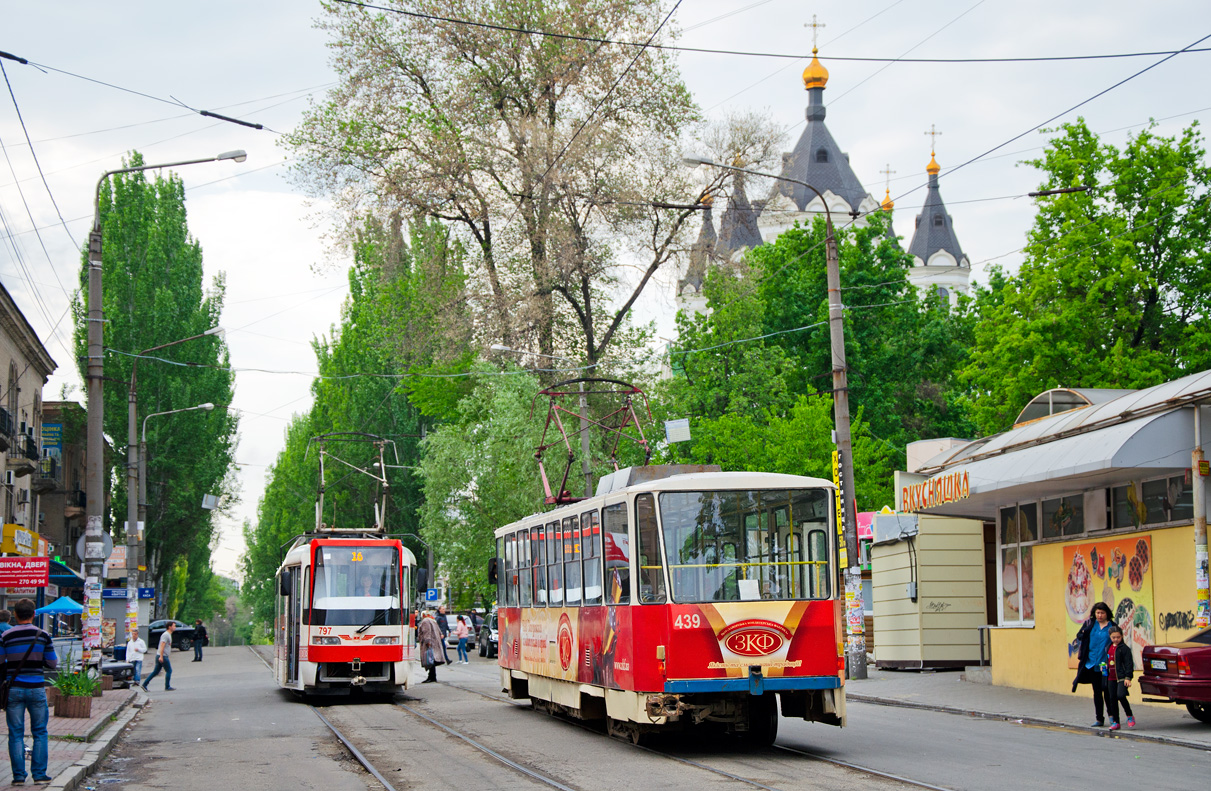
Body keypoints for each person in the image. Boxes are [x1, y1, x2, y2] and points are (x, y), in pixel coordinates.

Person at [1, 598, 57, 785]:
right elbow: (52, 663)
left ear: (15, 615)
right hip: (36, 689)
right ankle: (39, 775)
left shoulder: (6, 636)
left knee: (15, 733)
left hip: (14, 689)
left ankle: (18, 777)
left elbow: (0, 661)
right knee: (40, 732)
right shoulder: (43, 635)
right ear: (34, 614)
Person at [1071, 602, 1116, 727]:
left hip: (1105, 665)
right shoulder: (1090, 624)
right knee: (1097, 692)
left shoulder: (1112, 626)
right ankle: (1099, 719)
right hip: (1091, 663)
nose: (1099, 615)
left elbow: (1118, 641)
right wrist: (1084, 633)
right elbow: (1079, 635)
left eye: (1102, 613)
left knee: (1107, 690)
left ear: (1107, 613)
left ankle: (1112, 717)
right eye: (1097, 613)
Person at [1104, 625, 1136, 730]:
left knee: (1121, 695)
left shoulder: (1124, 649)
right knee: (1112, 699)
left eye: (1118, 637)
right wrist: (1104, 667)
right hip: (1111, 677)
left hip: (1121, 677)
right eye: (1113, 637)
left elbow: (1129, 664)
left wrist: (1128, 677)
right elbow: (1108, 660)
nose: (1116, 639)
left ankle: (1129, 715)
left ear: (1122, 636)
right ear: (1110, 637)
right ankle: (1116, 722)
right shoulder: (1108, 647)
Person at [141, 622, 176, 691]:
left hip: (161, 655)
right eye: (174, 626)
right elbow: (162, 645)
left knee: (156, 671)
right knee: (169, 670)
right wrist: (161, 656)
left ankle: (144, 684)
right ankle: (167, 686)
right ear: (169, 627)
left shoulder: (168, 634)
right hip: (163, 656)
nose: (175, 627)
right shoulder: (166, 635)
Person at [417, 611, 444, 683]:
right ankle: (432, 676)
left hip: (429, 643)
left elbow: (427, 632)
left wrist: (427, 641)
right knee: (432, 659)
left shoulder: (425, 621)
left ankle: (432, 677)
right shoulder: (433, 621)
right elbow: (439, 632)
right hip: (435, 642)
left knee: (429, 659)